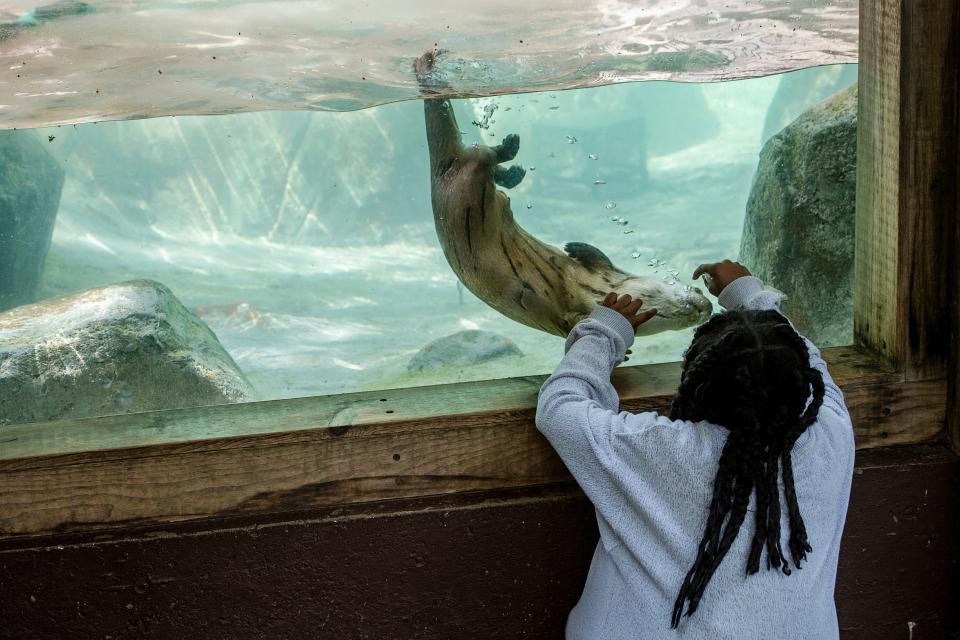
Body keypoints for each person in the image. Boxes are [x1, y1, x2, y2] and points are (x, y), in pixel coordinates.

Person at [536, 259, 855, 639]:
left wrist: (604, 331)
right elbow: (812, 362)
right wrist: (751, 296)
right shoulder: (832, 437)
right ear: (802, 387)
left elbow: (559, 407)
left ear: (694, 382)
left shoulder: (653, 450)